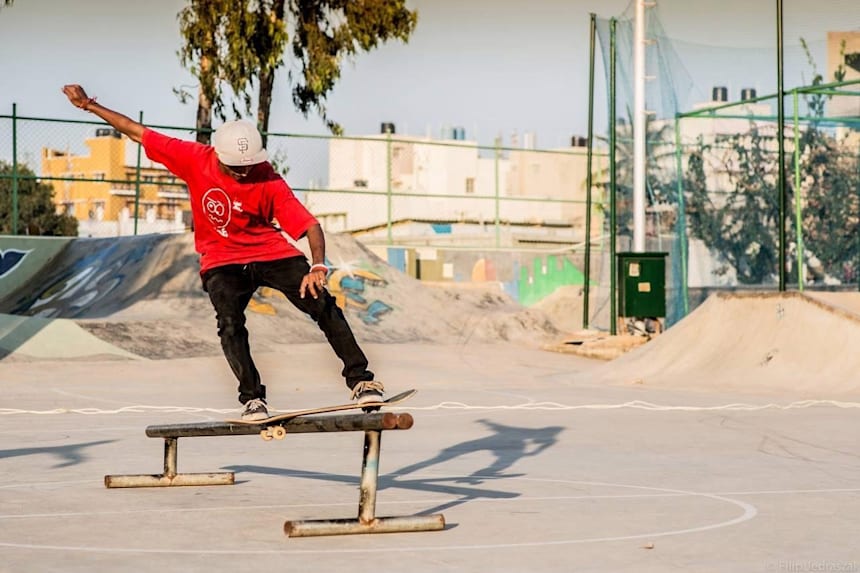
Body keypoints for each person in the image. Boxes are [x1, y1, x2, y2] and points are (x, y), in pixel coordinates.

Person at [61, 84, 383, 421]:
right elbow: (137, 132)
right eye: (236, 168)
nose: (244, 173)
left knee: (322, 302)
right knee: (229, 322)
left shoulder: (268, 179)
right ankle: (252, 398)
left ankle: (361, 380)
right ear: (217, 155)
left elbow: (309, 226)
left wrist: (318, 265)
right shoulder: (193, 158)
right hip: (222, 259)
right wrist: (89, 105)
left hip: (270, 251)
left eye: (249, 167)